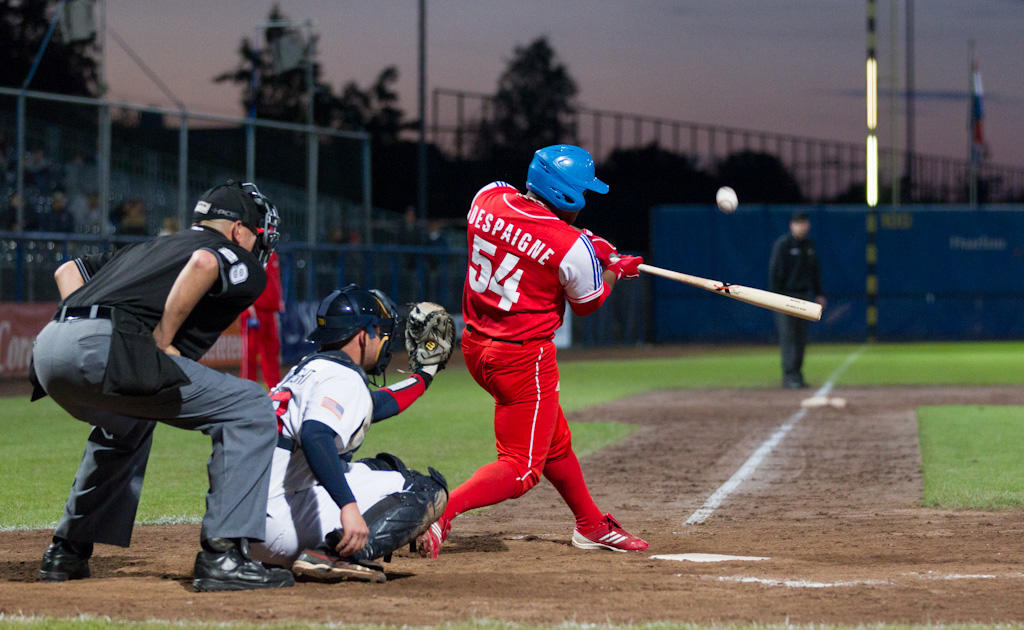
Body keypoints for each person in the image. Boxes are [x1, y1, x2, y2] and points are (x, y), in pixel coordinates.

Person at [30, 180, 294, 592]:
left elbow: (67, 270)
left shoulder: (147, 248)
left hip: (48, 347)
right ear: (238, 229)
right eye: (257, 231)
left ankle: (66, 551)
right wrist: (163, 338)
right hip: (107, 349)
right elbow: (206, 263)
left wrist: (82, 324)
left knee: (127, 423)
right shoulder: (231, 253)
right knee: (248, 406)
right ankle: (223, 556)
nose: (260, 240)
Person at [416, 144, 649, 558]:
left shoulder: (487, 197)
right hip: (523, 360)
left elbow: (527, 229)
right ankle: (440, 513)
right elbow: (589, 302)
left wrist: (587, 242)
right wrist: (614, 268)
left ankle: (591, 524)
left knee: (554, 440)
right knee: (522, 469)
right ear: (567, 196)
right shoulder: (568, 246)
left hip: (477, 347)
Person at [250, 287, 451, 583]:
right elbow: (315, 434)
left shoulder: (307, 371)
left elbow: (377, 404)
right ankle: (337, 555)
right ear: (362, 334)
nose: (384, 340)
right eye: (380, 331)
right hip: (280, 525)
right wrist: (349, 507)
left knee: (380, 468)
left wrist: (425, 373)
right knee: (425, 490)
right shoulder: (342, 378)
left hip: (245, 524)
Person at [769, 210, 826, 389]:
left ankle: (798, 374)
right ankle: (789, 375)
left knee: (801, 337)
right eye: (798, 223)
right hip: (784, 296)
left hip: (804, 296)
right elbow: (774, 271)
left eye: (804, 223)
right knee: (788, 337)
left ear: (807, 225)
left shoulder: (809, 245)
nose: (801, 226)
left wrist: (819, 293)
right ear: (791, 225)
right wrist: (774, 297)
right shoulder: (783, 245)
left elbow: (815, 272)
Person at [240, 250, 284, 389]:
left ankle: (274, 389)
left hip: (271, 309)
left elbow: (275, 279)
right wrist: (249, 307)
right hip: (254, 309)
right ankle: (247, 389)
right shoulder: (252, 249)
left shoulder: (273, 253)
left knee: (272, 352)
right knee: (250, 354)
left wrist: (278, 301)